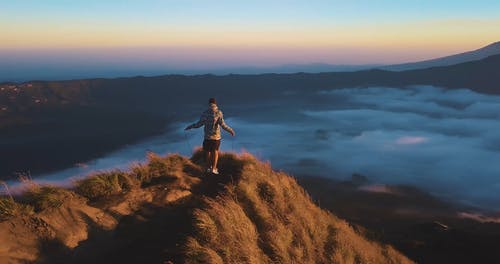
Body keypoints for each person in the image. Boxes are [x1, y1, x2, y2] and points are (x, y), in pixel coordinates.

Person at [185, 98, 235, 174]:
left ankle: (208, 168)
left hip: (207, 137)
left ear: (209, 104)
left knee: (207, 152)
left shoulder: (205, 113)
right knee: (215, 152)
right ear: (215, 104)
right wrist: (230, 130)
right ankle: (214, 169)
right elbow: (223, 125)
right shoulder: (219, 112)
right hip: (216, 137)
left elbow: (199, 124)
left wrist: (191, 126)